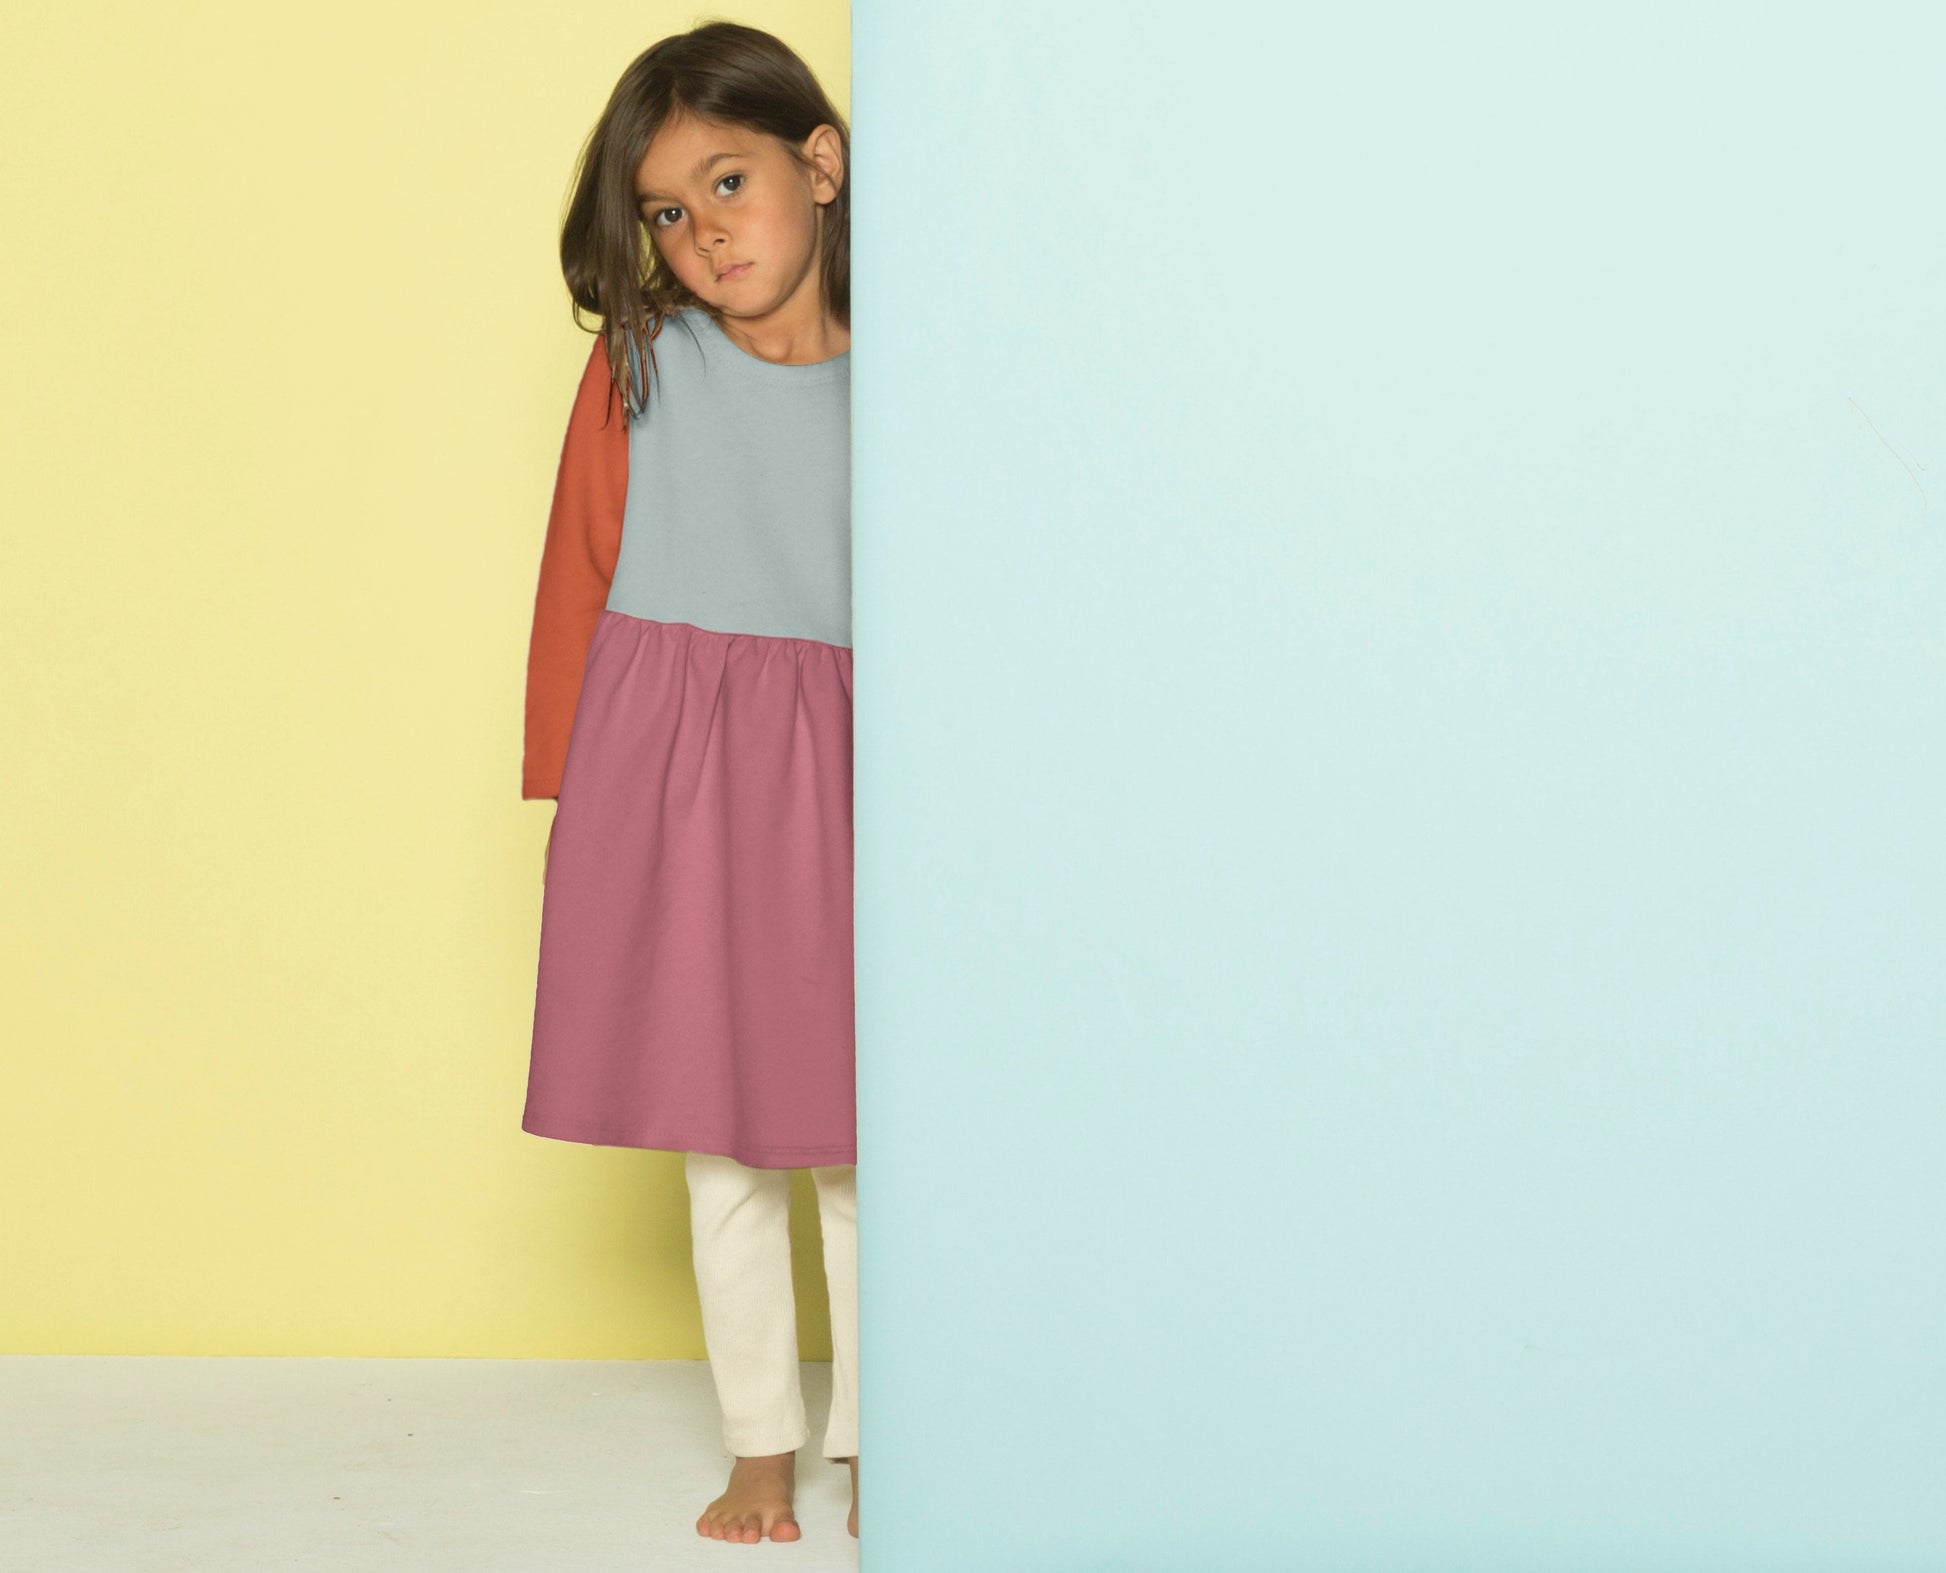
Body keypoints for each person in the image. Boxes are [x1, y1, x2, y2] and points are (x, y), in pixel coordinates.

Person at [518, 21, 857, 1545]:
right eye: (665, 208)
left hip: (857, 777)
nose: (703, 227)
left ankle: (876, 1440)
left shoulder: (928, 378)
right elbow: (580, 573)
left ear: (822, 165)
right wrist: (573, 789)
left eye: (728, 180)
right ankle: (761, 1448)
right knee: (725, 1144)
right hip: (687, 781)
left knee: (866, 1141)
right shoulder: (641, 365)